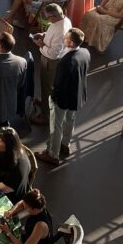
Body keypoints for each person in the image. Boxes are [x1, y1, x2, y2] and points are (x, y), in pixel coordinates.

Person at [37, 28, 90, 165]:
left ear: (71, 43)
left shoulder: (66, 62)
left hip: (62, 98)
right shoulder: (85, 53)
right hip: (76, 96)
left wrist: (53, 97)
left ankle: (53, 154)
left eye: (66, 38)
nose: (63, 39)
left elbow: (59, 84)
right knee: (70, 120)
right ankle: (65, 145)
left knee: (56, 126)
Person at [29, 4, 71, 126]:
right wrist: (44, 35)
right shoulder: (64, 19)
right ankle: (44, 103)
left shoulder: (61, 31)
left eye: (48, 17)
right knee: (46, 85)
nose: (47, 19)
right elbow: (52, 32)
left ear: (54, 16)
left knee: (48, 86)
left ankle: (45, 116)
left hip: (51, 62)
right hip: (50, 60)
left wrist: (41, 45)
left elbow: (53, 54)